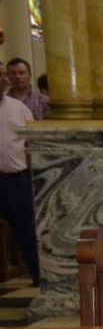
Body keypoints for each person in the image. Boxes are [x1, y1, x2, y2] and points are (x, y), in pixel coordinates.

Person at [0, 72, 37, 284]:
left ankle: (39, 277)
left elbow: (31, 143)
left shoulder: (18, 108)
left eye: (2, 75)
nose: (3, 80)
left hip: (13, 180)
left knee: (26, 231)